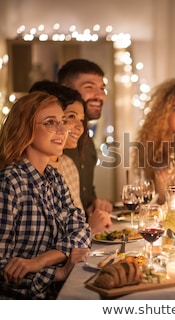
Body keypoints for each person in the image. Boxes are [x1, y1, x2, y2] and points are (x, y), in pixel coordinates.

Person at [0, 92, 91, 299]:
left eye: (62, 122)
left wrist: (40, 262)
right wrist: (57, 273)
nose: (62, 130)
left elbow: (82, 230)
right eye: (50, 123)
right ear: (25, 128)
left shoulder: (54, 177)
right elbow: (2, 268)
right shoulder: (10, 182)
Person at [29, 80, 112, 234]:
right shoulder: (16, 176)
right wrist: (90, 229)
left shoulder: (67, 165)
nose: (80, 127)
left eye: (81, 120)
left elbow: (75, 224)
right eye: (70, 117)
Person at [57, 59, 113, 216]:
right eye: (89, 87)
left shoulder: (86, 137)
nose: (99, 95)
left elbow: (85, 192)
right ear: (66, 90)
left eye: (102, 88)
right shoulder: (54, 141)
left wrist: (95, 203)